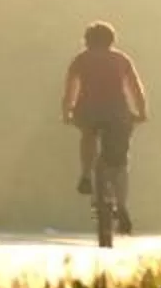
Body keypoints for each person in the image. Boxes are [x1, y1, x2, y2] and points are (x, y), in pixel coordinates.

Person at [61, 19, 147, 229]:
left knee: (88, 134)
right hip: (117, 113)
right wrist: (141, 112)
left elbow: (70, 90)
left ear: (87, 41)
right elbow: (135, 88)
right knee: (120, 162)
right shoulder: (121, 59)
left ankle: (86, 174)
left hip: (87, 111)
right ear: (111, 40)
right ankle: (122, 205)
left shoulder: (80, 60)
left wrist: (67, 113)